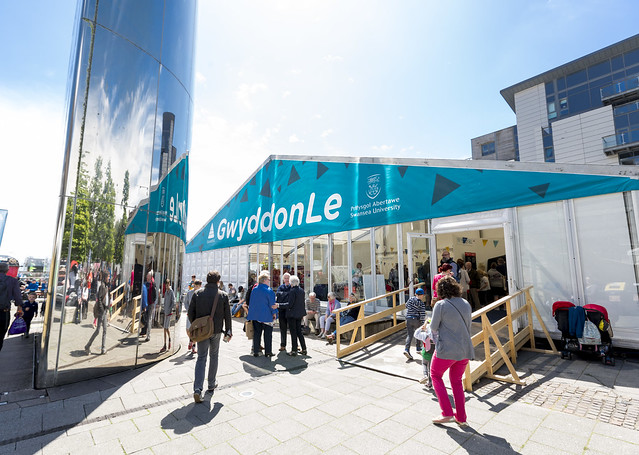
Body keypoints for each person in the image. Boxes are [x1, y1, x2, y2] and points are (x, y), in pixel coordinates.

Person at [429, 276, 474, 426]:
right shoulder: (466, 303)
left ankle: (447, 412)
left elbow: (433, 327)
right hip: (464, 349)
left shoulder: (441, 305)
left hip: (447, 349)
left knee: (435, 375)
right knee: (456, 382)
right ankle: (461, 417)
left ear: (440, 290)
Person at [188, 270, 232, 403]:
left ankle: (197, 389)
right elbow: (227, 316)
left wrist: (197, 325)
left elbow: (190, 313)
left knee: (201, 358)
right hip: (217, 331)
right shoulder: (223, 295)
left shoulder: (198, 293)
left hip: (202, 332)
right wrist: (228, 330)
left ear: (207, 280)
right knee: (214, 356)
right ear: (218, 281)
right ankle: (211, 383)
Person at [246, 271, 277, 358]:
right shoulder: (269, 290)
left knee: (257, 333)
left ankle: (256, 351)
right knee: (267, 334)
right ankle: (268, 352)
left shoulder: (254, 290)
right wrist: (274, 314)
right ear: (264, 280)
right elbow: (272, 304)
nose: (269, 281)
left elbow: (252, 303)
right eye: (268, 279)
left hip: (255, 315)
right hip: (266, 315)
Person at [278, 275, 307, 356]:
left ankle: (294, 350)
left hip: (292, 314)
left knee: (293, 332)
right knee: (299, 332)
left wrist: (279, 305)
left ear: (291, 283)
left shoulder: (292, 291)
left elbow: (290, 304)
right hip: (299, 314)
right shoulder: (301, 290)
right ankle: (304, 349)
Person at [1, 262, 24, 352]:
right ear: (7, 270)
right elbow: (18, 297)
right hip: (3, 312)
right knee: (1, 334)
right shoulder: (13, 281)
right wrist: (20, 308)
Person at [85, 272, 109, 355]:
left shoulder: (106, 285)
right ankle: (88, 345)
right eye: (108, 276)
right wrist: (102, 309)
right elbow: (99, 298)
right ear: (105, 277)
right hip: (102, 311)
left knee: (105, 329)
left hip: (105, 311)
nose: (109, 278)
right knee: (98, 330)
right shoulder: (102, 286)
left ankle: (103, 348)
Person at [403, 288, 427, 360]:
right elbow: (422, 315)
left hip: (409, 319)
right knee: (418, 333)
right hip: (416, 319)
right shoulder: (421, 304)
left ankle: (406, 350)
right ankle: (418, 348)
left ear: (415, 294)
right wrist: (423, 324)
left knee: (410, 335)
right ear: (422, 295)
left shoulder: (410, 299)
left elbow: (406, 306)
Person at [184, 279, 201, 354]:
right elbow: (186, 302)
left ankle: (193, 346)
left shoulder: (201, 294)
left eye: (198, 286)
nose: (196, 287)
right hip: (189, 314)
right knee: (188, 330)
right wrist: (188, 310)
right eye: (195, 286)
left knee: (195, 331)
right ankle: (191, 340)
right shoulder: (189, 293)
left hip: (197, 315)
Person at [275, 272, 291, 352]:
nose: (286, 280)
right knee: (282, 329)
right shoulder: (280, 287)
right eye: (285, 278)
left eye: (288, 278)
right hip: (281, 311)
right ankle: (283, 345)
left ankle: (296, 345)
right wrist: (286, 295)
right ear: (283, 279)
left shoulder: (292, 287)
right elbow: (278, 295)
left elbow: (290, 297)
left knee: (293, 329)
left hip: (290, 311)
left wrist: (283, 295)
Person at [160, 278, 175, 353]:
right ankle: (165, 343)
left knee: (166, 328)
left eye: (167, 285)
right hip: (165, 312)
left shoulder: (171, 292)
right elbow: (165, 301)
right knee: (165, 328)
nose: (166, 287)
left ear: (169, 284)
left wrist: (169, 310)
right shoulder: (166, 291)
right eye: (165, 285)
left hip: (168, 313)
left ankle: (168, 340)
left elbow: (173, 302)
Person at [143, 271, 157, 342]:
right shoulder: (145, 284)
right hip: (146, 303)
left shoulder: (153, 284)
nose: (146, 276)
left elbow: (155, 294)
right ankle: (144, 331)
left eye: (148, 275)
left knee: (149, 319)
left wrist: (153, 302)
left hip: (151, 303)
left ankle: (148, 335)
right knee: (145, 318)